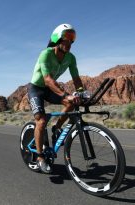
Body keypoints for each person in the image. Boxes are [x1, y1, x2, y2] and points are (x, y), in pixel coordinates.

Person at [27, 23, 84, 174]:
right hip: (37, 88)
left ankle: (57, 127)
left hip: (49, 89)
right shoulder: (45, 54)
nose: (70, 42)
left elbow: (76, 79)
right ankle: (40, 158)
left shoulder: (71, 58)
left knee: (70, 104)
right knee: (41, 120)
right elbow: (47, 80)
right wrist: (66, 94)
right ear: (57, 38)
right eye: (67, 37)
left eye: (72, 39)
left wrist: (80, 92)